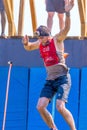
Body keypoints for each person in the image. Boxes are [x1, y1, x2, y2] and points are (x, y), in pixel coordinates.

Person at [22, 0, 76, 130]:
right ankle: (53, 128)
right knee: (40, 106)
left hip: (63, 78)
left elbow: (66, 29)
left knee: (60, 107)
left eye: (41, 38)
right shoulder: (40, 43)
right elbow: (29, 48)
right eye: (38, 38)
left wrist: (67, 13)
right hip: (50, 80)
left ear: (47, 36)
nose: (39, 40)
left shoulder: (56, 39)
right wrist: (25, 43)